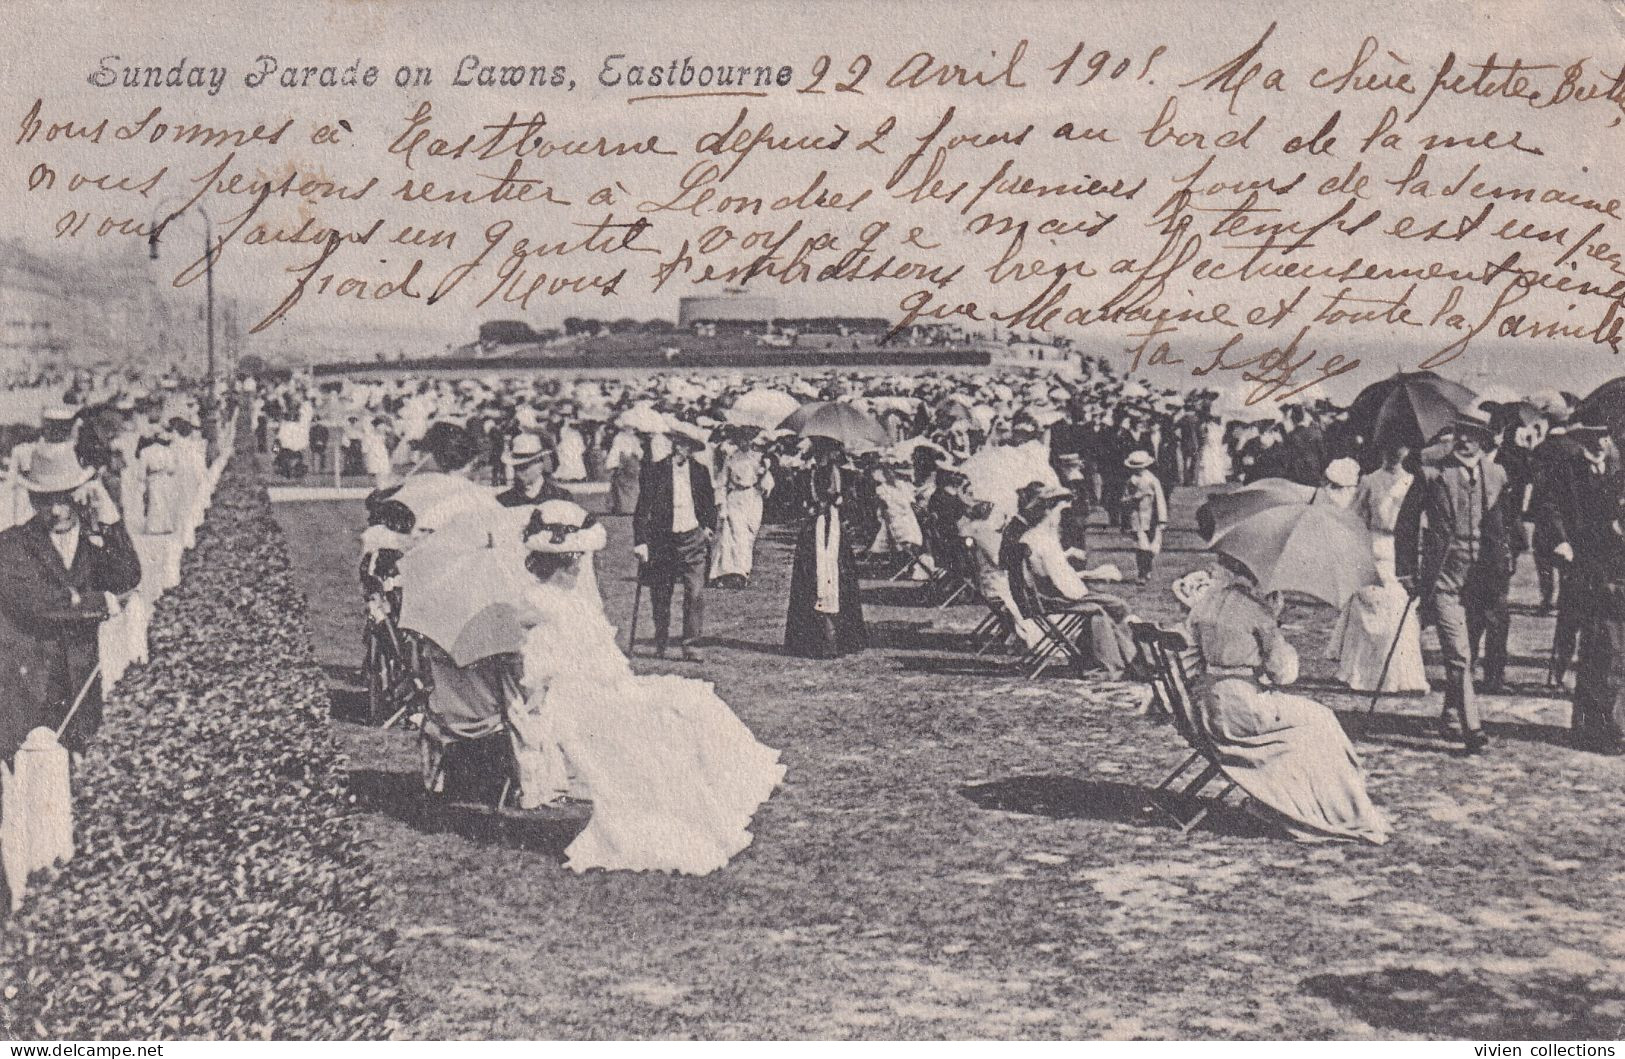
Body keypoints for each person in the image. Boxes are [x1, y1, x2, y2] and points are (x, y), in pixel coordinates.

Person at [514, 500, 786, 874]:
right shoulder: (538, 603)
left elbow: (600, 657)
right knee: (658, 730)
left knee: (690, 704)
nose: (580, 567)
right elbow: (542, 670)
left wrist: (619, 684)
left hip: (602, 689)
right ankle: (651, 830)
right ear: (564, 561)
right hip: (578, 701)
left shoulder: (570, 601)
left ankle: (701, 810)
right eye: (574, 560)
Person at [1185, 555, 1390, 844]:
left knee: (1311, 721)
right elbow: (1283, 674)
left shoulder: (1205, 604)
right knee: (1321, 720)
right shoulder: (1256, 612)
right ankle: (1335, 809)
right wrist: (1274, 621)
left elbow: (1190, 659)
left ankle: (1312, 802)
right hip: (1245, 709)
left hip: (1208, 708)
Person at [0, 443, 143, 765]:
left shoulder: (94, 540)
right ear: (33, 500)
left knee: (80, 775)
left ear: (80, 494)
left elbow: (127, 578)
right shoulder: (10, 545)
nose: (56, 509)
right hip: (30, 687)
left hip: (81, 684)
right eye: (45, 499)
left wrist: (108, 517)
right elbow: (36, 605)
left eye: (64, 497)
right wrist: (101, 602)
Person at [1396, 414, 1517, 752]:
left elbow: (1509, 523)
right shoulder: (1433, 473)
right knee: (1459, 653)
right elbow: (1406, 523)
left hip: (1482, 578)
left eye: (1474, 435)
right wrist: (1406, 570)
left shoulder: (1497, 475)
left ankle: (1451, 712)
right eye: (1461, 433)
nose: (1465, 441)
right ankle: (1472, 727)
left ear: (1485, 440)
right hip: (1445, 575)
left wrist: (1507, 559)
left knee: (1468, 652)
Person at [1006, 482, 1138, 677]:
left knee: (1112, 605)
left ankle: (1123, 659)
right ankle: (1116, 663)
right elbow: (1064, 585)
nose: (1060, 518)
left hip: (1040, 598)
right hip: (1051, 600)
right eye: (1059, 512)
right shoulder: (1043, 540)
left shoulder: (1031, 537)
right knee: (1106, 608)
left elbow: (1054, 576)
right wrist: (1091, 582)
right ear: (1048, 512)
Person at [1329, 442, 1428, 693]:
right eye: (1389, 447)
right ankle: (1364, 676)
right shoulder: (1369, 481)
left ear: (1407, 450)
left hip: (1401, 551)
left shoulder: (1414, 482)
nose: (1394, 453)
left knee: (1398, 610)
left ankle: (1400, 677)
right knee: (1368, 611)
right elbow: (1354, 517)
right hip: (1374, 548)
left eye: (1400, 447)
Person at [632, 420, 716, 661]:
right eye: (680, 444)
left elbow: (709, 505)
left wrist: (708, 528)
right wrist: (641, 541)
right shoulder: (655, 471)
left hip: (692, 538)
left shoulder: (700, 471)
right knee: (661, 593)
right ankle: (661, 640)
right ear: (674, 445)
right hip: (662, 540)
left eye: (688, 446)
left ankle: (691, 645)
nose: (683, 449)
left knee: (695, 593)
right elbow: (642, 510)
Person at [1566, 431, 1625, 754]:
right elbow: (1592, 533)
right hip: (1607, 581)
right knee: (1606, 653)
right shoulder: (1611, 486)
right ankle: (1603, 727)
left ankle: (1604, 726)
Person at [784, 436, 867, 659]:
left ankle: (836, 638)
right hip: (819, 529)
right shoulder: (810, 474)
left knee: (835, 577)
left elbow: (849, 504)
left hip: (832, 528)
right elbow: (803, 502)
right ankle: (817, 639)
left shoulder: (841, 474)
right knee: (816, 578)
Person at [709, 428, 774, 589]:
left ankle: (744, 570)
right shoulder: (731, 458)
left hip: (752, 498)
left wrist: (763, 473)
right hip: (736, 497)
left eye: (747, 440)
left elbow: (767, 484)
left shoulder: (758, 458)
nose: (744, 443)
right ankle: (733, 573)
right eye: (741, 440)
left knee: (749, 536)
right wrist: (721, 503)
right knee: (736, 535)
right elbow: (722, 482)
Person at [1122, 450, 1167, 584]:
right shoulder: (1130, 481)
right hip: (1136, 517)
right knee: (1141, 546)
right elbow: (1124, 500)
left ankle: (1147, 569)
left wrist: (1162, 519)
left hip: (1151, 518)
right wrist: (1132, 498)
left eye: (1140, 467)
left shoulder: (1152, 480)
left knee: (1152, 547)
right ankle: (1142, 572)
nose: (1137, 470)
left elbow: (1160, 500)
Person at [496, 434, 573, 508]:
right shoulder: (504, 500)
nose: (520, 471)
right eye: (517, 466)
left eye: (527, 466)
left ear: (541, 464)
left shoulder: (561, 496)